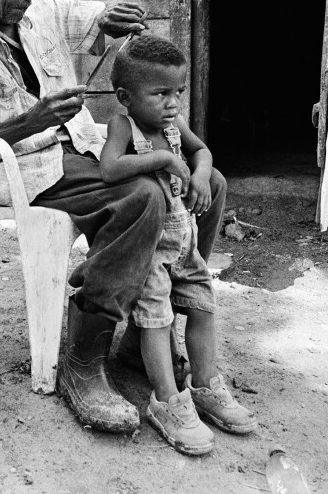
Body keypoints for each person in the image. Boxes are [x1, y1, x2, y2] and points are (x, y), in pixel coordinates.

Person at [0, 0, 225, 433]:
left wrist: (114, 15)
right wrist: (32, 120)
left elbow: (92, 16)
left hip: (82, 147)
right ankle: (82, 361)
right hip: (24, 166)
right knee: (143, 198)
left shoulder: (42, 9)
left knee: (210, 183)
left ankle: (143, 331)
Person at [100, 35, 255, 454]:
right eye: (161, 93)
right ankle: (167, 399)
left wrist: (202, 173)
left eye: (178, 93)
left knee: (203, 306)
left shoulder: (173, 127)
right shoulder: (123, 126)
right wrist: (166, 159)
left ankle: (205, 384)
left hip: (184, 243)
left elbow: (202, 151)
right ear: (125, 97)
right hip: (151, 248)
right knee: (157, 318)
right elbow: (110, 168)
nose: (172, 103)